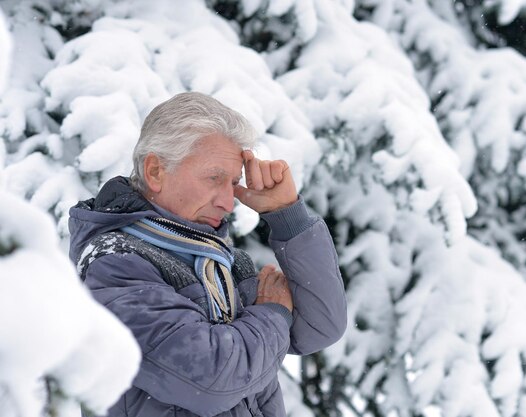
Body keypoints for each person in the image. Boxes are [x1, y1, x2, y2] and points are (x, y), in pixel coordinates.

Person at [68, 92, 347, 417]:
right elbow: (211, 380)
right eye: (214, 178)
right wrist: (271, 313)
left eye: (232, 183)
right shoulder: (114, 263)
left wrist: (287, 215)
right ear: (156, 170)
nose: (229, 203)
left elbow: (320, 328)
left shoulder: (221, 261)